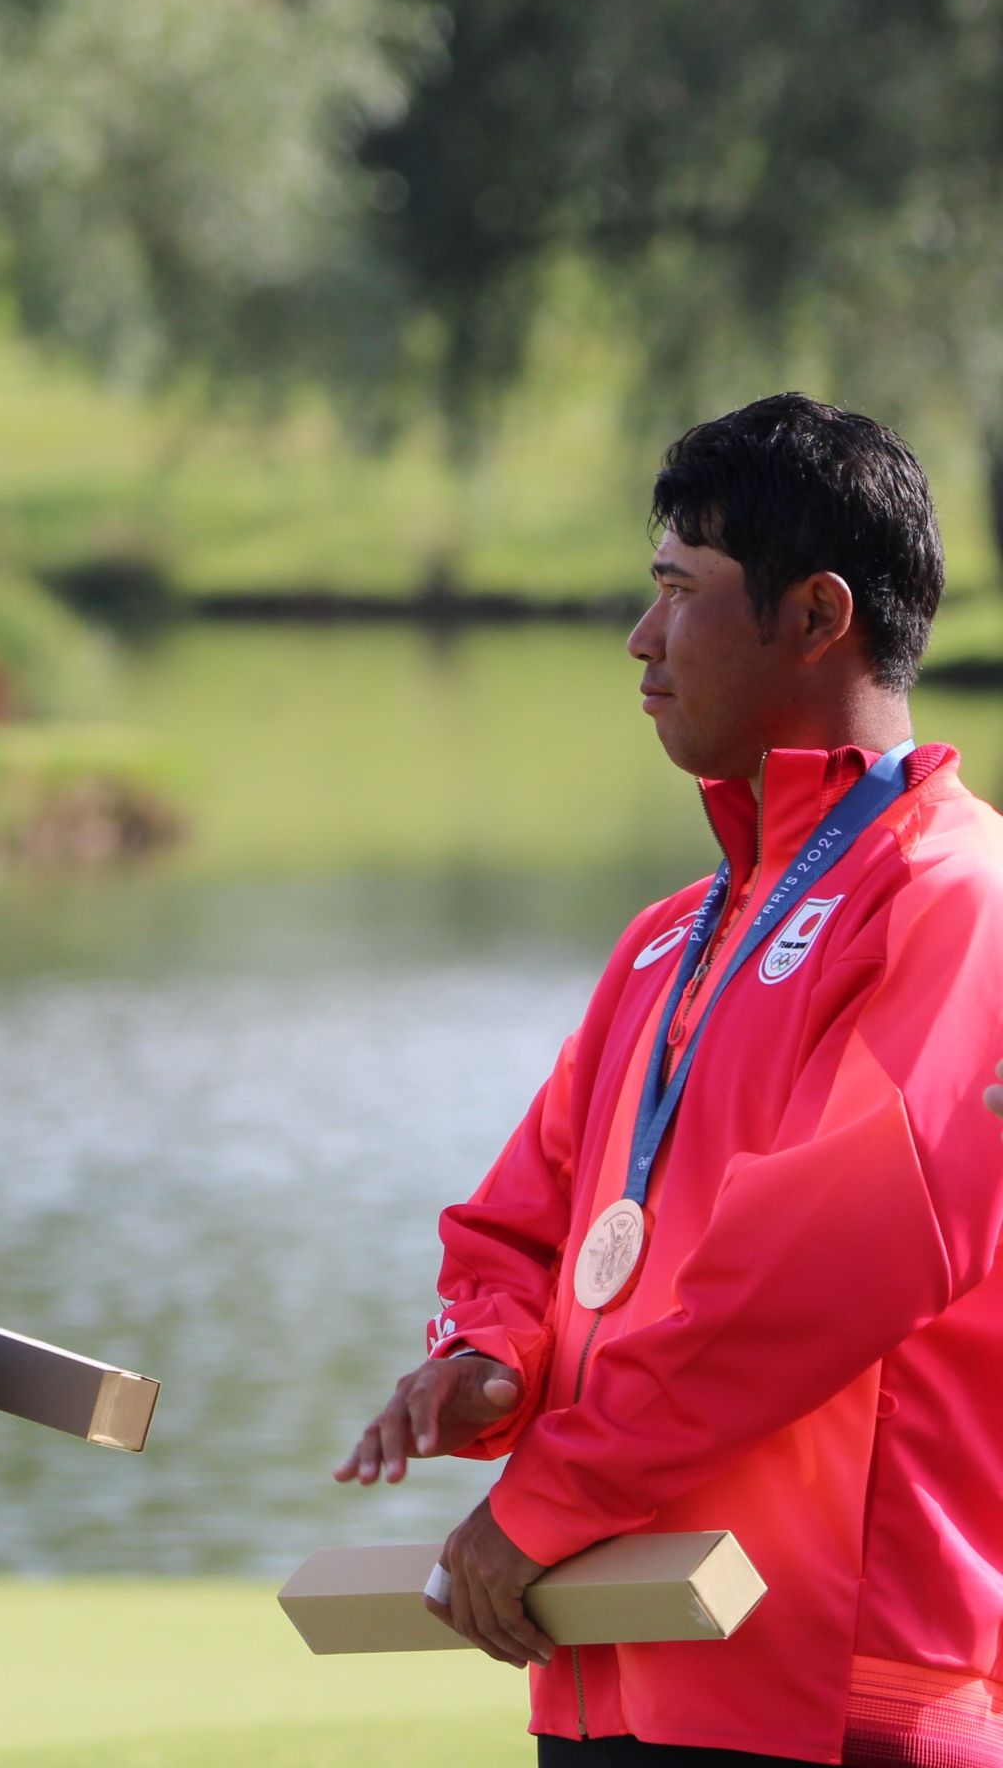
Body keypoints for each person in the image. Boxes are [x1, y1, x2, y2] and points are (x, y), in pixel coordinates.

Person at [336, 394, 1003, 1765]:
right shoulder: (668, 939)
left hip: (837, 1697)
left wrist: (549, 1498)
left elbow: (821, 1272)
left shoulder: (955, 898)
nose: (640, 641)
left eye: (676, 593)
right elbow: (524, 1224)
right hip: (603, 1659)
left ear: (819, 618)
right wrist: (489, 1366)